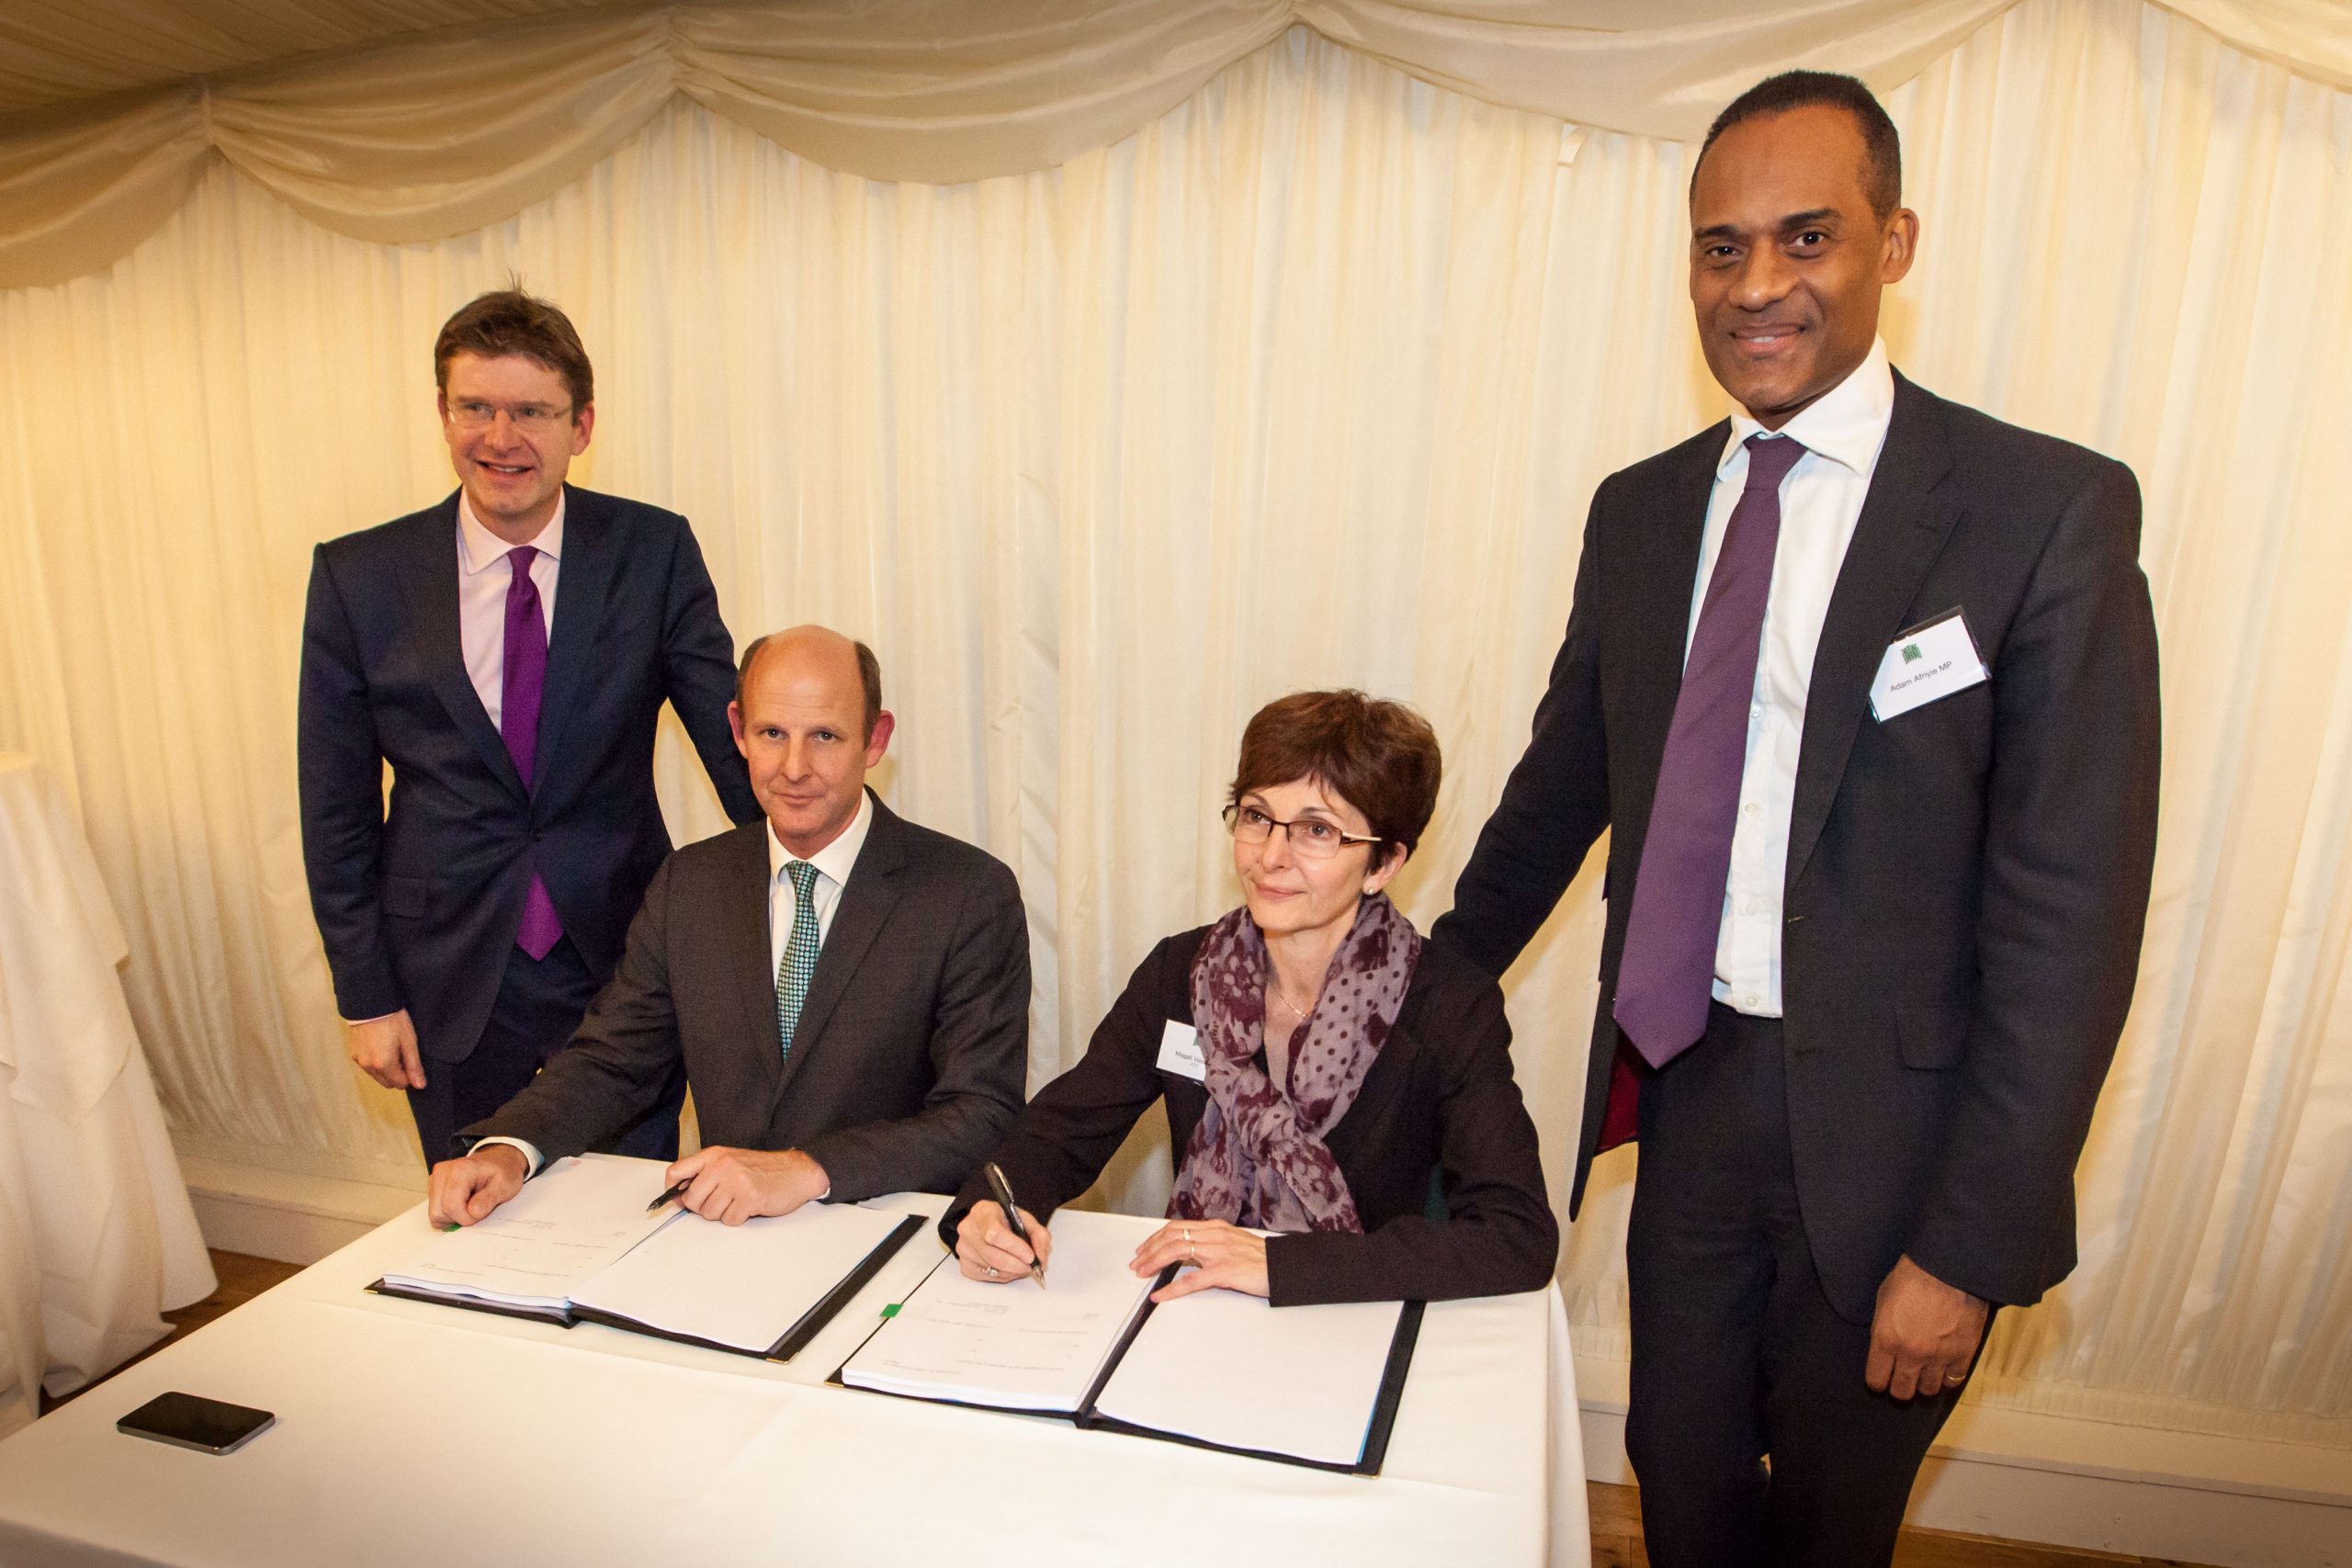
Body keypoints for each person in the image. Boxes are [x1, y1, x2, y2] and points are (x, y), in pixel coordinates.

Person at [1431, 73, 2161, 1565]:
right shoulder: (1640, 512)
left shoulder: (2040, 512)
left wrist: (1966, 1243)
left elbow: (2069, 919)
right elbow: (1562, 787)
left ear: (1894, 243)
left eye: (1805, 237)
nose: (1757, 286)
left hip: (1900, 1142)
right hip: (1689, 1097)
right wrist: (1403, 992)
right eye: (1720, 246)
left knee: (1833, 1527)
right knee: (1680, 1491)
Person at [300, 288, 759, 1165]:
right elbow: (335, 809)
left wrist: (822, 891)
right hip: (448, 980)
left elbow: (734, 746)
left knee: (635, 1221)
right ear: (442, 413)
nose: (501, 438)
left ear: (582, 425)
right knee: (481, 1226)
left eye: (532, 411)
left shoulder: (652, 553)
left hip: (624, 967)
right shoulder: (359, 576)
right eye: (476, 406)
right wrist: (366, 994)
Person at [947, 690, 1556, 1306]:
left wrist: (1280, 1261)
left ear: (1384, 862)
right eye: (1257, 815)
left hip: (1352, 1321)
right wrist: (992, 1208)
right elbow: (1062, 1129)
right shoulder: (1181, 973)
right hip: (1192, 1308)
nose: (1270, 855)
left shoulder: (1449, 1004)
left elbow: (1516, 1236)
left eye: (1317, 830)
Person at [428, 625, 1030, 1227]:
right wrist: (510, 1146)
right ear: (739, 730)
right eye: (772, 733)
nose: (794, 767)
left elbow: (980, 1114)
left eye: (824, 735)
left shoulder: (968, 893)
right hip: (722, 1240)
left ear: (875, 739)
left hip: (885, 1237)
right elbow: (614, 1059)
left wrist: (806, 1168)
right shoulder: (689, 883)